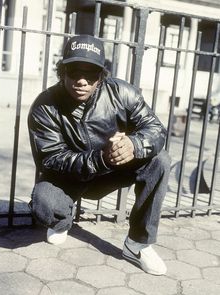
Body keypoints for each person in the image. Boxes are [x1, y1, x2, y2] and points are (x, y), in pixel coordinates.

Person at [28, 34, 171, 276]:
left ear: (101, 75)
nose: (81, 81)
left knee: (160, 160)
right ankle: (62, 221)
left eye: (91, 73)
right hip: (68, 177)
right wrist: (99, 158)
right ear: (62, 71)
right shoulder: (45, 105)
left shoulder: (122, 93)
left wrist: (134, 145)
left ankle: (138, 244)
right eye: (74, 71)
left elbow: (156, 129)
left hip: (113, 171)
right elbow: (50, 159)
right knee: (44, 204)